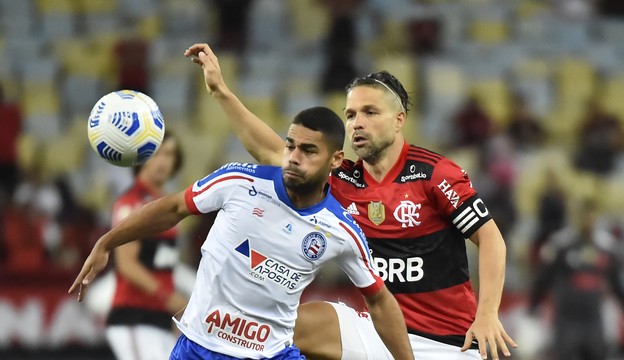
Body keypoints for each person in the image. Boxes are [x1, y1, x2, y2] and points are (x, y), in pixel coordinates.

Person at [185, 43, 517, 360]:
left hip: (447, 341)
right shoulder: (341, 178)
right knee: (278, 330)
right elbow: (274, 151)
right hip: (377, 331)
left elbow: (490, 238)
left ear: (399, 120)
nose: (357, 122)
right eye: (351, 114)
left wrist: (487, 315)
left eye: (370, 112)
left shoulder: (435, 174)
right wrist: (220, 92)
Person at [69, 107, 414, 360]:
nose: (294, 157)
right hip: (200, 349)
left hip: (273, 354)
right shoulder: (240, 181)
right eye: (290, 145)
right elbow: (174, 208)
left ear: (336, 160)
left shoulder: (342, 231)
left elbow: (380, 300)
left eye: (308, 151)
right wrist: (107, 242)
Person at [103, 131, 188, 360]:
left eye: (169, 154)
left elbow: (162, 267)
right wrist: (169, 298)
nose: (163, 161)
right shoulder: (131, 204)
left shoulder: (166, 204)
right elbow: (127, 265)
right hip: (134, 317)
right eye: (156, 154)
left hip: (159, 320)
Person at [528, 199, 624, 360]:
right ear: (575, 215)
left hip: (593, 319)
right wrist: (533, 307)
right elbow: (543, 280)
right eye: (583, 213)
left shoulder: (605, 247)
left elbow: (616, 284)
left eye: (591, 213)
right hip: (566, 320)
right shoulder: (560, 245)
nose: (587, 218)